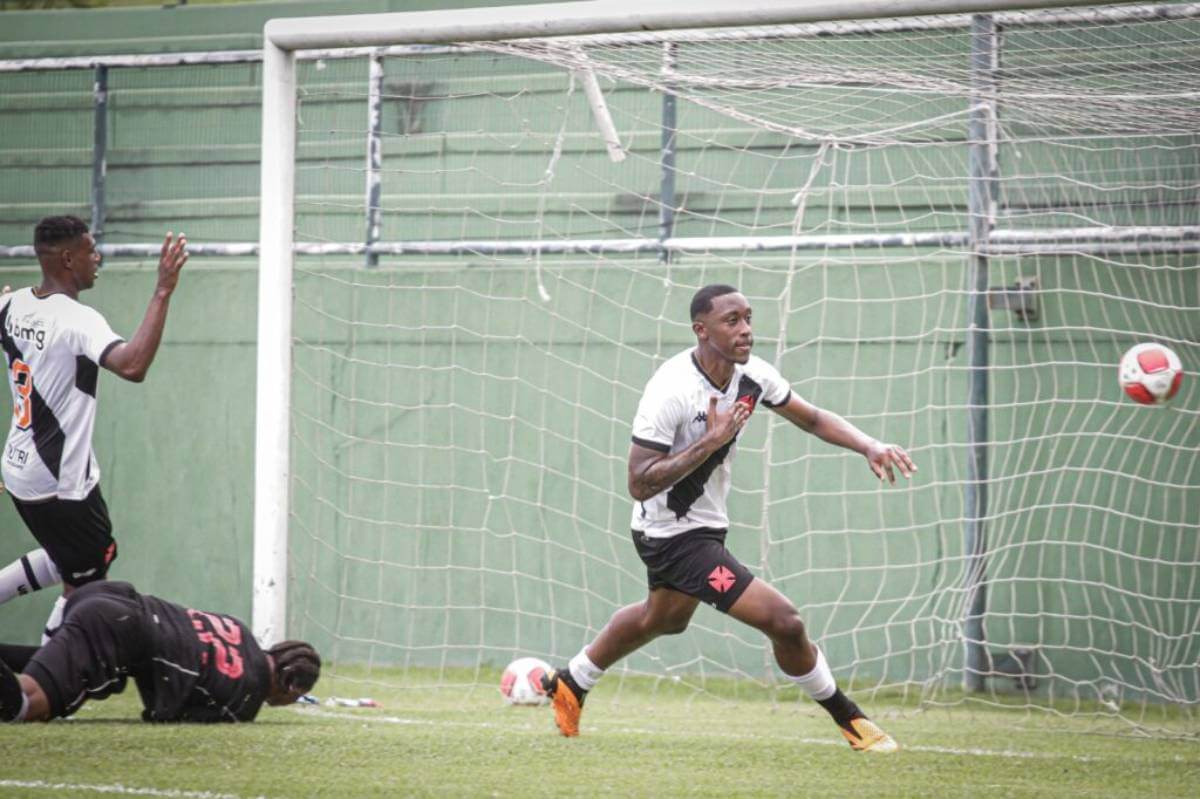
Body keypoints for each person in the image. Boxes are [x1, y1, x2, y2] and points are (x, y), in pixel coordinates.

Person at [541, 284, 917, 753]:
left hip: (704, 526)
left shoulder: (752, 375)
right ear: (701, 330)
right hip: (673, 536)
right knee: (784, 620)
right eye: (732, 321)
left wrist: (869, 445)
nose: (746, 331)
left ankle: (572, 681)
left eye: (748, 318)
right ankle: (851, 719)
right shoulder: (670, 389)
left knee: (662, 619)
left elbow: (813, 418)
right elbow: (638, 482)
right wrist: (710, 441)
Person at [0, 216, 188, 642]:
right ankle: (44, 683)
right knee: (86, 577)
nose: (97, 256)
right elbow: (133, 365)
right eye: (91, 249)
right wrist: (162, 291)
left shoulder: (14, 305)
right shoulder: (77, 319)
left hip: (19, 468)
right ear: (68, 258)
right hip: (59, 480)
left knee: (71, 556)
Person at [0, 580, 320, 723]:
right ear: (293, 687)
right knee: (25, 707)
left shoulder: (240, 629)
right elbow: (165, 714)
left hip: (112, 596)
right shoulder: (247, 701)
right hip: (118, 627)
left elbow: (182, 646)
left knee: (59, 667)